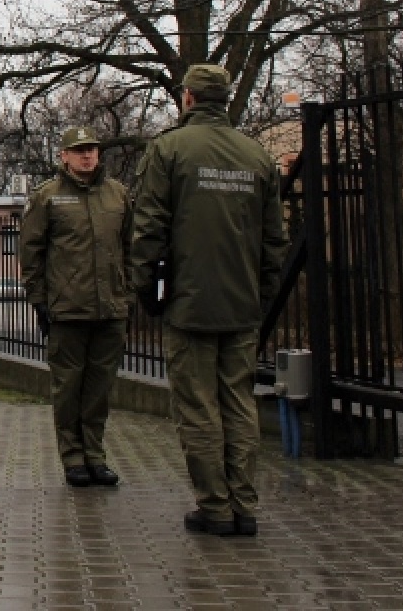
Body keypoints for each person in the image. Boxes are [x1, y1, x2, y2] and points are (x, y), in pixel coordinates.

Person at [130, 64, 288, 537]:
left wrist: (146, 288)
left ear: (189, 99)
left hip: (189, 303)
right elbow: (273, 240)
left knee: (198, 406)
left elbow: (149, 226)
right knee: (239, 402)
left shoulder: (169, 150)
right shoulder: (257, 156)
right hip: (241, 304)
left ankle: (214, 505)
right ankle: (244, 505)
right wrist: (260, 296)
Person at [19, 126, 133, 489]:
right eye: (79, 150)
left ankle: (96, 456)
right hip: (67, 310)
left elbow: (130, 247)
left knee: (100, 388)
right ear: (64, 156)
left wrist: (127, 292)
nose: (87, 156)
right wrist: (39, 301)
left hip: (110, 309)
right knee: (68, 388)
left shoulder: (117, 195)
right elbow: (31, 253)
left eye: (92, 149)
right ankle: (73, 457)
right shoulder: (48, 197)